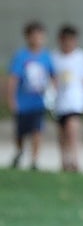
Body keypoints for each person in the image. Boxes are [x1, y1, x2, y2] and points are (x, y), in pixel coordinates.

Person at [7, 21, 55, 171]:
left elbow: (53, 76)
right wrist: (11, 99)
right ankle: (20, 151)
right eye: (33, 36)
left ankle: (34, 160)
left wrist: (53, 93)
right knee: (20, 132)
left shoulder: (47, 57)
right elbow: (13, 79)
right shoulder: (21, 56)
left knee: (37, 131)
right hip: (23, 102)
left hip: (38, 102)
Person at [50, 25, 83, 173]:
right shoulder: (54, 57)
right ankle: (64, 160)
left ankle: (75, 159)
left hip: (75, 101)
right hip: (59, 101)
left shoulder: (81, 57)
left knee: (72, 128)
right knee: (62, 132)